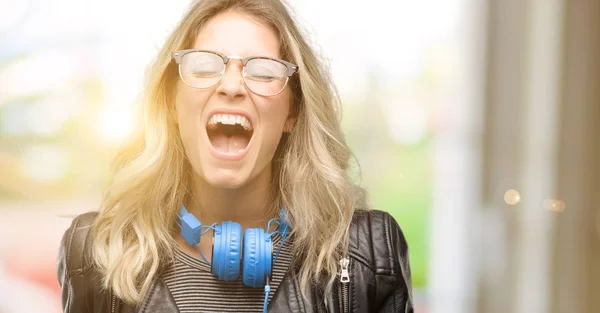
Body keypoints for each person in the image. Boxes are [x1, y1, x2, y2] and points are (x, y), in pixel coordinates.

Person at [56, 0, 413, 312]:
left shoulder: (367, 257)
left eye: (263, 71)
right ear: (172, 104)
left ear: (292, 113)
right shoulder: (96, 255)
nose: (230, 86)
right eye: (205, 65)